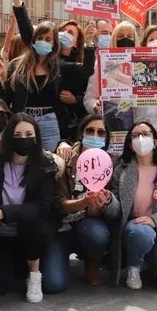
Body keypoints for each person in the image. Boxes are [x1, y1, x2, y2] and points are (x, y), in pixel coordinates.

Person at [0, 114, 58, 303]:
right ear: (9, 136)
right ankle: (15, 268)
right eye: (17, 134)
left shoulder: (45, 166)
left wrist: (4, 212)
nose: (23, 138)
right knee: (0, 287)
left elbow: (41, 208)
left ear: (36, 137)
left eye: (28, 134)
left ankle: (34, 273)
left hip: (30, 236)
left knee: (31, 220)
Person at [0, 0, 95, 149]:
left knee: (50, 165)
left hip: (51, 123)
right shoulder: (17, 66)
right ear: (34, 41)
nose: (43, 41)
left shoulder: (60, 66)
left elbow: (87, 70)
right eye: (40, 38)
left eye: (48, 39)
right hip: (24, 122)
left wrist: (88, 44)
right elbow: (5, 97)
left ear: (54, 43)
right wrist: (17, 2)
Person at [103, 121, 157, 291]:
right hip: (134, 230)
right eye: (135, 135)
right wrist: (108, 201)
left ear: (155, 141)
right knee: (141, 232)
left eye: (145, 134)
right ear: (130, 144)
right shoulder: (121, 171)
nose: (141, 138)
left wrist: (154, 220)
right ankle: (134, 266)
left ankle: (150, 261)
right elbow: (117, 212)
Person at [41, 116, 112, 293]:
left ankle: (92, 260)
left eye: (101, 132)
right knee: (53, 284)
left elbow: (112, 209)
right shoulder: (63, 159)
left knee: (98, 234)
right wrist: (83, 202)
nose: (95, 135)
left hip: (88, 224)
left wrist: (99, 203)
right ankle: (57, 256)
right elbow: (59, 204)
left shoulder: (110, 163)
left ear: (106, 138)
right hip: (61, 226)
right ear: (81, 133)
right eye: (90, 131)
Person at [84, 21, 138, 114]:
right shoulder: (101, 63)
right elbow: (89, 98)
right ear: (113, 39)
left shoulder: (143, 64)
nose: (125, 39)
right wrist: (94, 107)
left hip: (139, 122)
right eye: (120, 36)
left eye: (129, 36)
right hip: (111, 119)